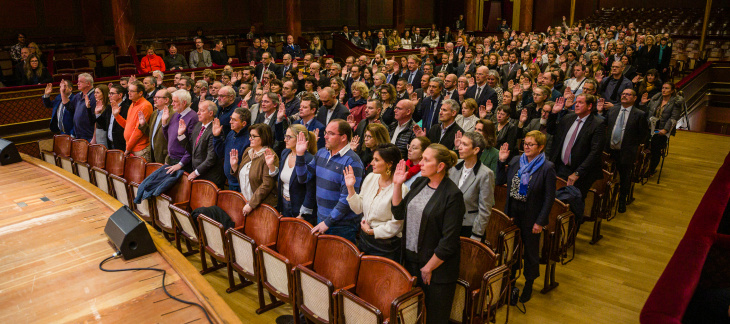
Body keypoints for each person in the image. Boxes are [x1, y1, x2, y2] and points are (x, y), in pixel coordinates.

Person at [391, 143, 463, 324]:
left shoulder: (452, 195)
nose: (420, 163)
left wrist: (429, 267)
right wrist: (397, 185)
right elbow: (398, 213)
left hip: (436, 270)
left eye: (426, 160)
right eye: (421, 158)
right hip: (411, 261)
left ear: (440, 166)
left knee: (433, 318)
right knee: (410, 315)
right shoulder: (420, 182)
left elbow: (449, 240)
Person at [496, 130, 555, 303]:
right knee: (511, 248)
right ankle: (511, 279)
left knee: (530, 252)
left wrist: (540, 221)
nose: (526, 147)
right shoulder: (516, 161)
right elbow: (500, 181)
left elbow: (549, 197)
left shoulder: (547, 167)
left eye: (531, 144)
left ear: (541, 147)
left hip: (532, 214)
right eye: (525, 144)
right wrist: (501, 162)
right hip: (513, 211)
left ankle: (529, 284)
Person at [295, 119, 364, 243]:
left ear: (343, 137)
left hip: (341, 226)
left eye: (331, 134)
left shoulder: (352, 161)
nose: (325, 136)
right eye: (326, 133)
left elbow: (346, 199)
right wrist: (300, 155)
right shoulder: (321, 153)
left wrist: (327, 222)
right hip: (322, 220)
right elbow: (303, 178)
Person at [345, 143, 406, 262]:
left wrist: (371, 231)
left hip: (386, 246)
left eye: (376, 160)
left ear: (389, 164)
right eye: (373, 159)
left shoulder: (401, 189)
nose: (372, 163)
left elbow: (397, 225)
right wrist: (350, 188)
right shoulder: (371, 177)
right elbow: (358, 209)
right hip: (365, 239)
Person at [547, 94, 606, 201]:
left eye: (580, 102)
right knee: (555, 200)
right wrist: (554, 113)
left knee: (574, 202)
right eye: (576, 102)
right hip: (561, 167)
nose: (576, 105)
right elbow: (551, 131)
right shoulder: (568, 118)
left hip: (581, 172)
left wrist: (578, 173)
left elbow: (595, 152)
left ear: (589, 106)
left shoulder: (597, 124)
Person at [606, 89, 648, 213]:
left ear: (635, 98)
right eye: (623, 94)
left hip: (626, 151)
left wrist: (632, 145)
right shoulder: (613, 110)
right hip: (610, 150)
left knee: (624, 178)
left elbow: (643, 135)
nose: (624, 96)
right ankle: (607, 201)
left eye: (628, 94)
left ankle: (622, 201)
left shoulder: (639, 114)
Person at [450, 131, 495, 239]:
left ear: (476, 150)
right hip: (450, 225)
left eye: (464, 144)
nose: (460, 147)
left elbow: (485, 209)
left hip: (469, 229)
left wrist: (477, 235)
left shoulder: (485, 174)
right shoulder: (454, 167)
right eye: (460, 143)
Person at [269, 124, 317, 223]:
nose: (285, 140)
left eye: (289, 137)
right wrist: (271, 166)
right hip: (283, 203)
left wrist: (303, 214)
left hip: (299, 208)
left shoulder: (309, 159)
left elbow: (311, 190)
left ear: (300, 138)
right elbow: (283, 179)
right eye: (285, 136)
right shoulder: (285, 153)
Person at [231, 123, 278, 213]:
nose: (250, 139)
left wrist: (251, 204)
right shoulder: (248, 151)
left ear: (263, 137)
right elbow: (245, 178)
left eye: (253, 136)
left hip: (263, 205)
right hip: (247, 201)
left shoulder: (269, 155)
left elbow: (267, 184)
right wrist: (234, 167)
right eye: (250, 136)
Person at [640, 82, 683, 177]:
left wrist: (666, 130)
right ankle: (641, 167)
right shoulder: (656, 99)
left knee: (656, 149)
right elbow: (647, 112)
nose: (664, 90)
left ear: (672, 91)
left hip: (661, 129)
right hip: (650, 127)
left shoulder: (675, 102)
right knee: (644, 146)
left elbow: (673, 118)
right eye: (663, 88)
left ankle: (651, 170)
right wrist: (643, 104)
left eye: (667, 88)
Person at [113, 81, 153, 160]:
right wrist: (116, 116)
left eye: (132, 91)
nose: (129, 93)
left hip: (140, 149)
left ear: (140, 93)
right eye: (128, 90)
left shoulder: (145, 106)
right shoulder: (132, 104)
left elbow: (138, 131)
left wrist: (128, 148)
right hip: (132, 147)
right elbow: (127, 125)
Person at [162, 90, 199, 173]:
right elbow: (168, 138)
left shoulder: (193, 118)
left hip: (183, 162)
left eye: (175, 101)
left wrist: (181, 163)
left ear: (184, 102)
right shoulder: (176, 114)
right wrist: (164, 123)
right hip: (172, 158)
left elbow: (192, 146)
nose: (172, 104)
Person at [137, 89, 173, 163]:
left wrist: (169, 157)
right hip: (153, 153)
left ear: (166, 100)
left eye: (158, 97)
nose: (155, 99)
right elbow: (151, 134)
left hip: (165, 155)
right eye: (154, 97)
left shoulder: (173, 114)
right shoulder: (154, 113)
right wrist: (143, 124)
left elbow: (172, 139)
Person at [68, 73, 97, 141]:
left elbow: (96, 119)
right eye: (78, 81)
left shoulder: (94, 96)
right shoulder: (78, 96)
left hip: (89, 135)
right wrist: (62, 93)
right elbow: (70, 108)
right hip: (79, 134)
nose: (78, 83)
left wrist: (94, 138)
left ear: (88, 84)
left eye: (80, 81)